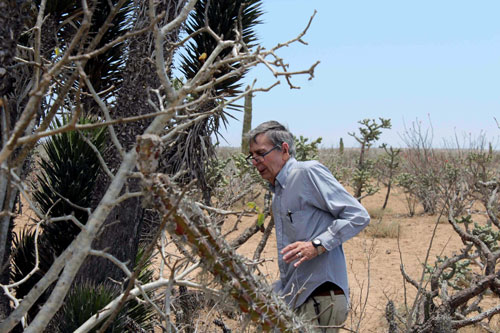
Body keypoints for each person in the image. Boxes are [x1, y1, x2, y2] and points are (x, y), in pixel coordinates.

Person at [246, 121, 370, 332]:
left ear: (284, 149)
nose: (256, 161)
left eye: (261, 153)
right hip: (295, 297)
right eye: (252, 156)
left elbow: (358, 215)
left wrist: (318, 245)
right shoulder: (278, 194)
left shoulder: (307, 173)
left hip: (321, 296)